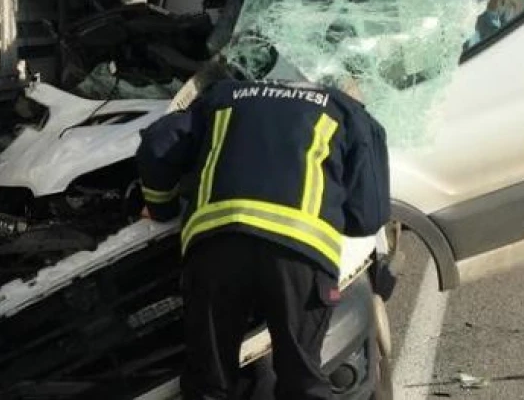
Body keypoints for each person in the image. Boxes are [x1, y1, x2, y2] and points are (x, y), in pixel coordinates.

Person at [136, 76, 390, 400]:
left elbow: (158, 143)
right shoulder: (347, 110)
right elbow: (369, 217)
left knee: (209, 382)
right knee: (304, 381)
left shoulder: (225, 93)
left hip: (217, 247)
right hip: (300, 257)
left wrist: (161, 207)